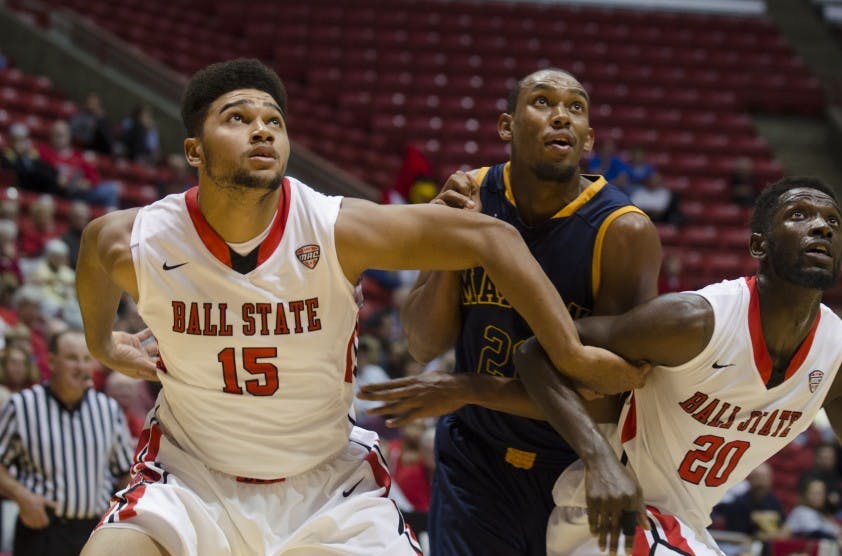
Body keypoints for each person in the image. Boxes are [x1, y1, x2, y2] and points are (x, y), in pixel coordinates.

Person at [75, 58, 640, 556]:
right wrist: (102, 344)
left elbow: (492, 239)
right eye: (238, 119)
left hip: (324, 488)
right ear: (194, 150)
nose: (263, 132)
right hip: (187, 476)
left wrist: (570, 350)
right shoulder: (141, 240)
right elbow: (93, 250)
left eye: (274, 121)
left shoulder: (332, 225)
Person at [514, 176, 842, 555]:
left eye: (833, 219)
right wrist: (600, 464)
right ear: (758, 246)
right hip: (611, 518)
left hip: (683, 528)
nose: (822, 225)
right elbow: (535, 351)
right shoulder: (694, 321)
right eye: (800, 214)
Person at [359, 67, 662, 556]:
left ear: (589, 140)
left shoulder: (622, 232)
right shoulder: (472, 192)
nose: (561, 116)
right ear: (506, 126)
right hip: (474, 456)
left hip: (574, 462)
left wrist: (465, 388)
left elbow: (608, 397)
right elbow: (423, 342)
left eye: (576, 108)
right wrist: (453, 244)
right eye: (542, 102)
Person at [0, 330, 132, 556]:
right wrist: (23, 497)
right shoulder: (22, 406)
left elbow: (124, 473)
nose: (80, 367)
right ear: (51, 361)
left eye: (85, 359)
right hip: (41, 531)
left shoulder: (108, 409)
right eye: (72, 358)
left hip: (93, 531)